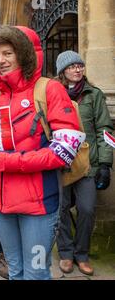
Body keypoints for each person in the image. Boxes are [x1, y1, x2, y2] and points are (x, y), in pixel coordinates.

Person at [0, 25, 81, 280]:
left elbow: (63, 152)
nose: (1, 60)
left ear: (24, 53)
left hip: (39, 207)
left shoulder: (50, 89)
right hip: (2, 203)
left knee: (36, 273)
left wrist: (9, 161)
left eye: (7, 53)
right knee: (14, 271)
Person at [55, 51, 114, 276]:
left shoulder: (94, 94)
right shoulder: (55, 93)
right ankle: (66, 253)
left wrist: (105, 164)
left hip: (88, 164)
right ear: (63, 71)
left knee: (87, 210)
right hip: (61, 162)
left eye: (80, 65)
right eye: (72, 66)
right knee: (60, 209)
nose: (77, 69)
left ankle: (82, 254)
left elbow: (105, 130)